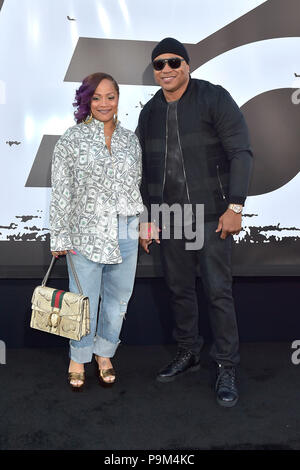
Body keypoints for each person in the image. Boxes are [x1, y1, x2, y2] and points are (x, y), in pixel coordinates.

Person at [138, 38, 253, 407]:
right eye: (160, 64)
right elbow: (140, 169)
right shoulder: (151, 111)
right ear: (155, 71)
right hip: (169, 217)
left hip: (210, 214)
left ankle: (226, 366)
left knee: (218, 292)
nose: (167, 69)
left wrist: (235, 205)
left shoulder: (212, 97)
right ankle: (188, 353)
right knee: (179, 289)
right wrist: (146, 216)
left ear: (186, 65)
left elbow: (241, 152)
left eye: (174, 62)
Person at [50, 72, 144, 391]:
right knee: (82, 301)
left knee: (118, 300)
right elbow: (61, 191)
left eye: (110, 97)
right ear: (87, 101)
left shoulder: (130, 139)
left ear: (118, 99)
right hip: (84, 231)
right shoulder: (71, 139)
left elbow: (135, 185)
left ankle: (104, 354)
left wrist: (140, 224)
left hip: (126, 230)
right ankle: (79, 357)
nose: (104, 103)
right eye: (97, 97)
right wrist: (60, 236)